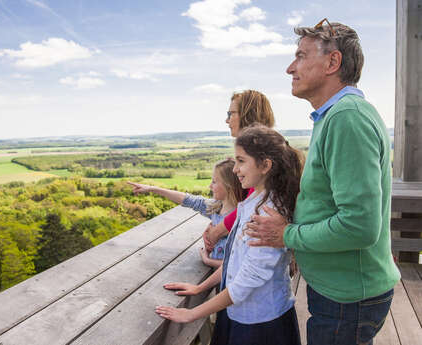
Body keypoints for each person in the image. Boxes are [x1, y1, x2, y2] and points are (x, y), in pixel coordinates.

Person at [245, 19, 401, 345]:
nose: (291, 67)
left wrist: (287, 234)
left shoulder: (347, 118)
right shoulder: (334, 115)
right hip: (341, 293)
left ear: (332, 63)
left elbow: (359, 226)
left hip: (347, 299)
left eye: (301, 56)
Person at [156, 125, 303, 345]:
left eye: (241, 161)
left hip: (262, 326)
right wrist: (200, 288)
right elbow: (236, 262)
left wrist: (192, 313)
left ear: (265, 165)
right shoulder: (254, 204)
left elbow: (247, 280)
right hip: (244, 315)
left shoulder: (266, 214)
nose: (235, 169)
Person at [127, 158, 244, 268]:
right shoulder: (216, 207)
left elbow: (238, 265)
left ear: (229, 186)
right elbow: (187, 199)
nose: (210, 186)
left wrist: (208, 261)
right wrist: (152, 189)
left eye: (214, 182)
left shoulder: (242, 218)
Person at [203, 90, 275, 253]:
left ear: (247, 115)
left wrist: (218, 230)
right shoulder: (263, 150)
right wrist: (215, 225)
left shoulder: (264, 155)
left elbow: (252, 204)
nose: (227, 120)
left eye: (231, 113)